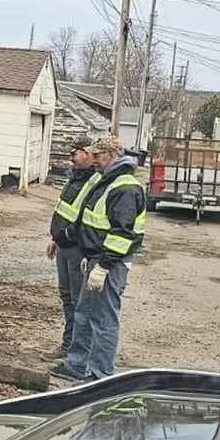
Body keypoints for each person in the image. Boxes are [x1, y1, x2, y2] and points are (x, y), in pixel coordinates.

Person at [50, 133, 146, 381]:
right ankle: (76, 365)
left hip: (109, 264)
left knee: (103, 320)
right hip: (95, 259)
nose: (94, 161)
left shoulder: (124, 187)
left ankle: (100, 375)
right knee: (84, 315)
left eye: (97, 156)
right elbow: (90, 222)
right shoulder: (106, 182)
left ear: (110, 156)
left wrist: (103, 265)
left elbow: (122, 234)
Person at [41, 135, 100, 362]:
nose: (70, 158)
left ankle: (76, 350)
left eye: (74, 153)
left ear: (87, 154)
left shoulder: (94, 181)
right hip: (64, 245)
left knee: (78, 301)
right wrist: (55, 237)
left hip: (77, 248)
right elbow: (64, 211)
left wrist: (67, 236)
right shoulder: (75, 178)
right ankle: (69, 345)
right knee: (67, 297)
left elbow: (86, 218)